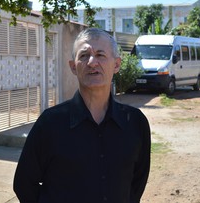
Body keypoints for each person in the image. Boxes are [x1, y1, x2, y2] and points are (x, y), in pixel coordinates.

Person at [13, 28, 151, 203]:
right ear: (73, 67)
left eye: (100, 55)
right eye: (84, 56)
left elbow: (136, 183)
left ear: (116, 64)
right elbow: (24, 183)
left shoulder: (135, 123)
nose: (92, 62)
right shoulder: (50, 123)